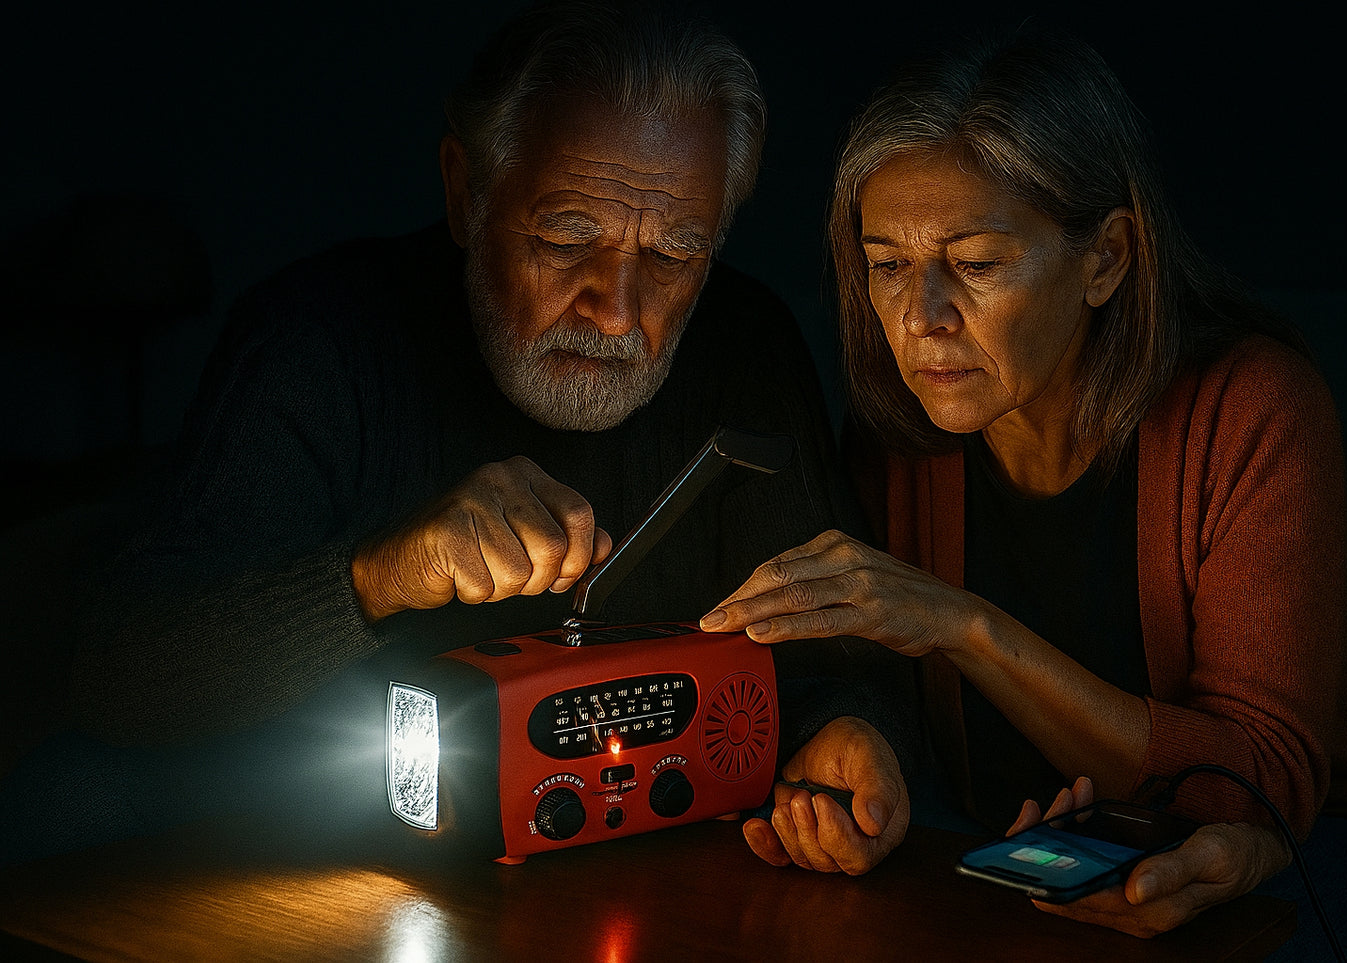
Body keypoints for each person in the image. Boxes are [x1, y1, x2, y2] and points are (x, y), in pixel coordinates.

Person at [0, 0, 908, 865]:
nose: (617, 309)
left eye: (674, 254)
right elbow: (122, 675)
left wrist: (847, 733)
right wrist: (379, 575)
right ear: (467, 191)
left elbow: (836, 653)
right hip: (330, 848)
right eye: (565, 236)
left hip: (655, 856)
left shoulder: (746, 342)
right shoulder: (321, 341)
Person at [701, 26, 1347, 958]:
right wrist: (850, 763)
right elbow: (881, 696)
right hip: (1034, 839)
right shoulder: (901, 430)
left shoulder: (1251, 407)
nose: (920, 316)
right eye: (887, 264)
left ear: (1106, 259)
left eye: (974, 263)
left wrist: (966, 627)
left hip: (1316, 835)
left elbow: (1253, 789)